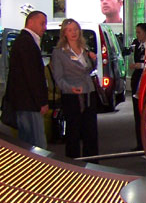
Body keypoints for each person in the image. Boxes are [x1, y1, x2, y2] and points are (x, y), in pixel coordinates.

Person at [50, 18, 99, 159]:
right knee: (74, 132)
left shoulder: (85, 49)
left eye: (75, 29)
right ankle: (74, 164)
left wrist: (93, 60)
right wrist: (70, 88)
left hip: (88, 93)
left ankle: (92, 163)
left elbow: (89, 70)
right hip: (72, 96)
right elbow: (58, 78)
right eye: (70, 30)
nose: (73, 33)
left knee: (91, 132)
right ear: (64, 33)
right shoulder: (59, 52)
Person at [6, 11, 49, 148]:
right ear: (31, 22)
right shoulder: (26, 43)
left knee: (27, 143)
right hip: (29, 104)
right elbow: (32, 76)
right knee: (36, 145)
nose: (45, 27)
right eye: (42, 23)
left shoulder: (24, 41)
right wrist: (41, 102)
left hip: (25, 103)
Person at [129, 23, 146, 150]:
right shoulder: (137, 45)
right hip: (136, 79)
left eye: (139, 32)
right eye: (136, 33)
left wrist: (140, 65)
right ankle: (139, 143)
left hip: (144, 78)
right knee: (137, 113)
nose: (137, 35)